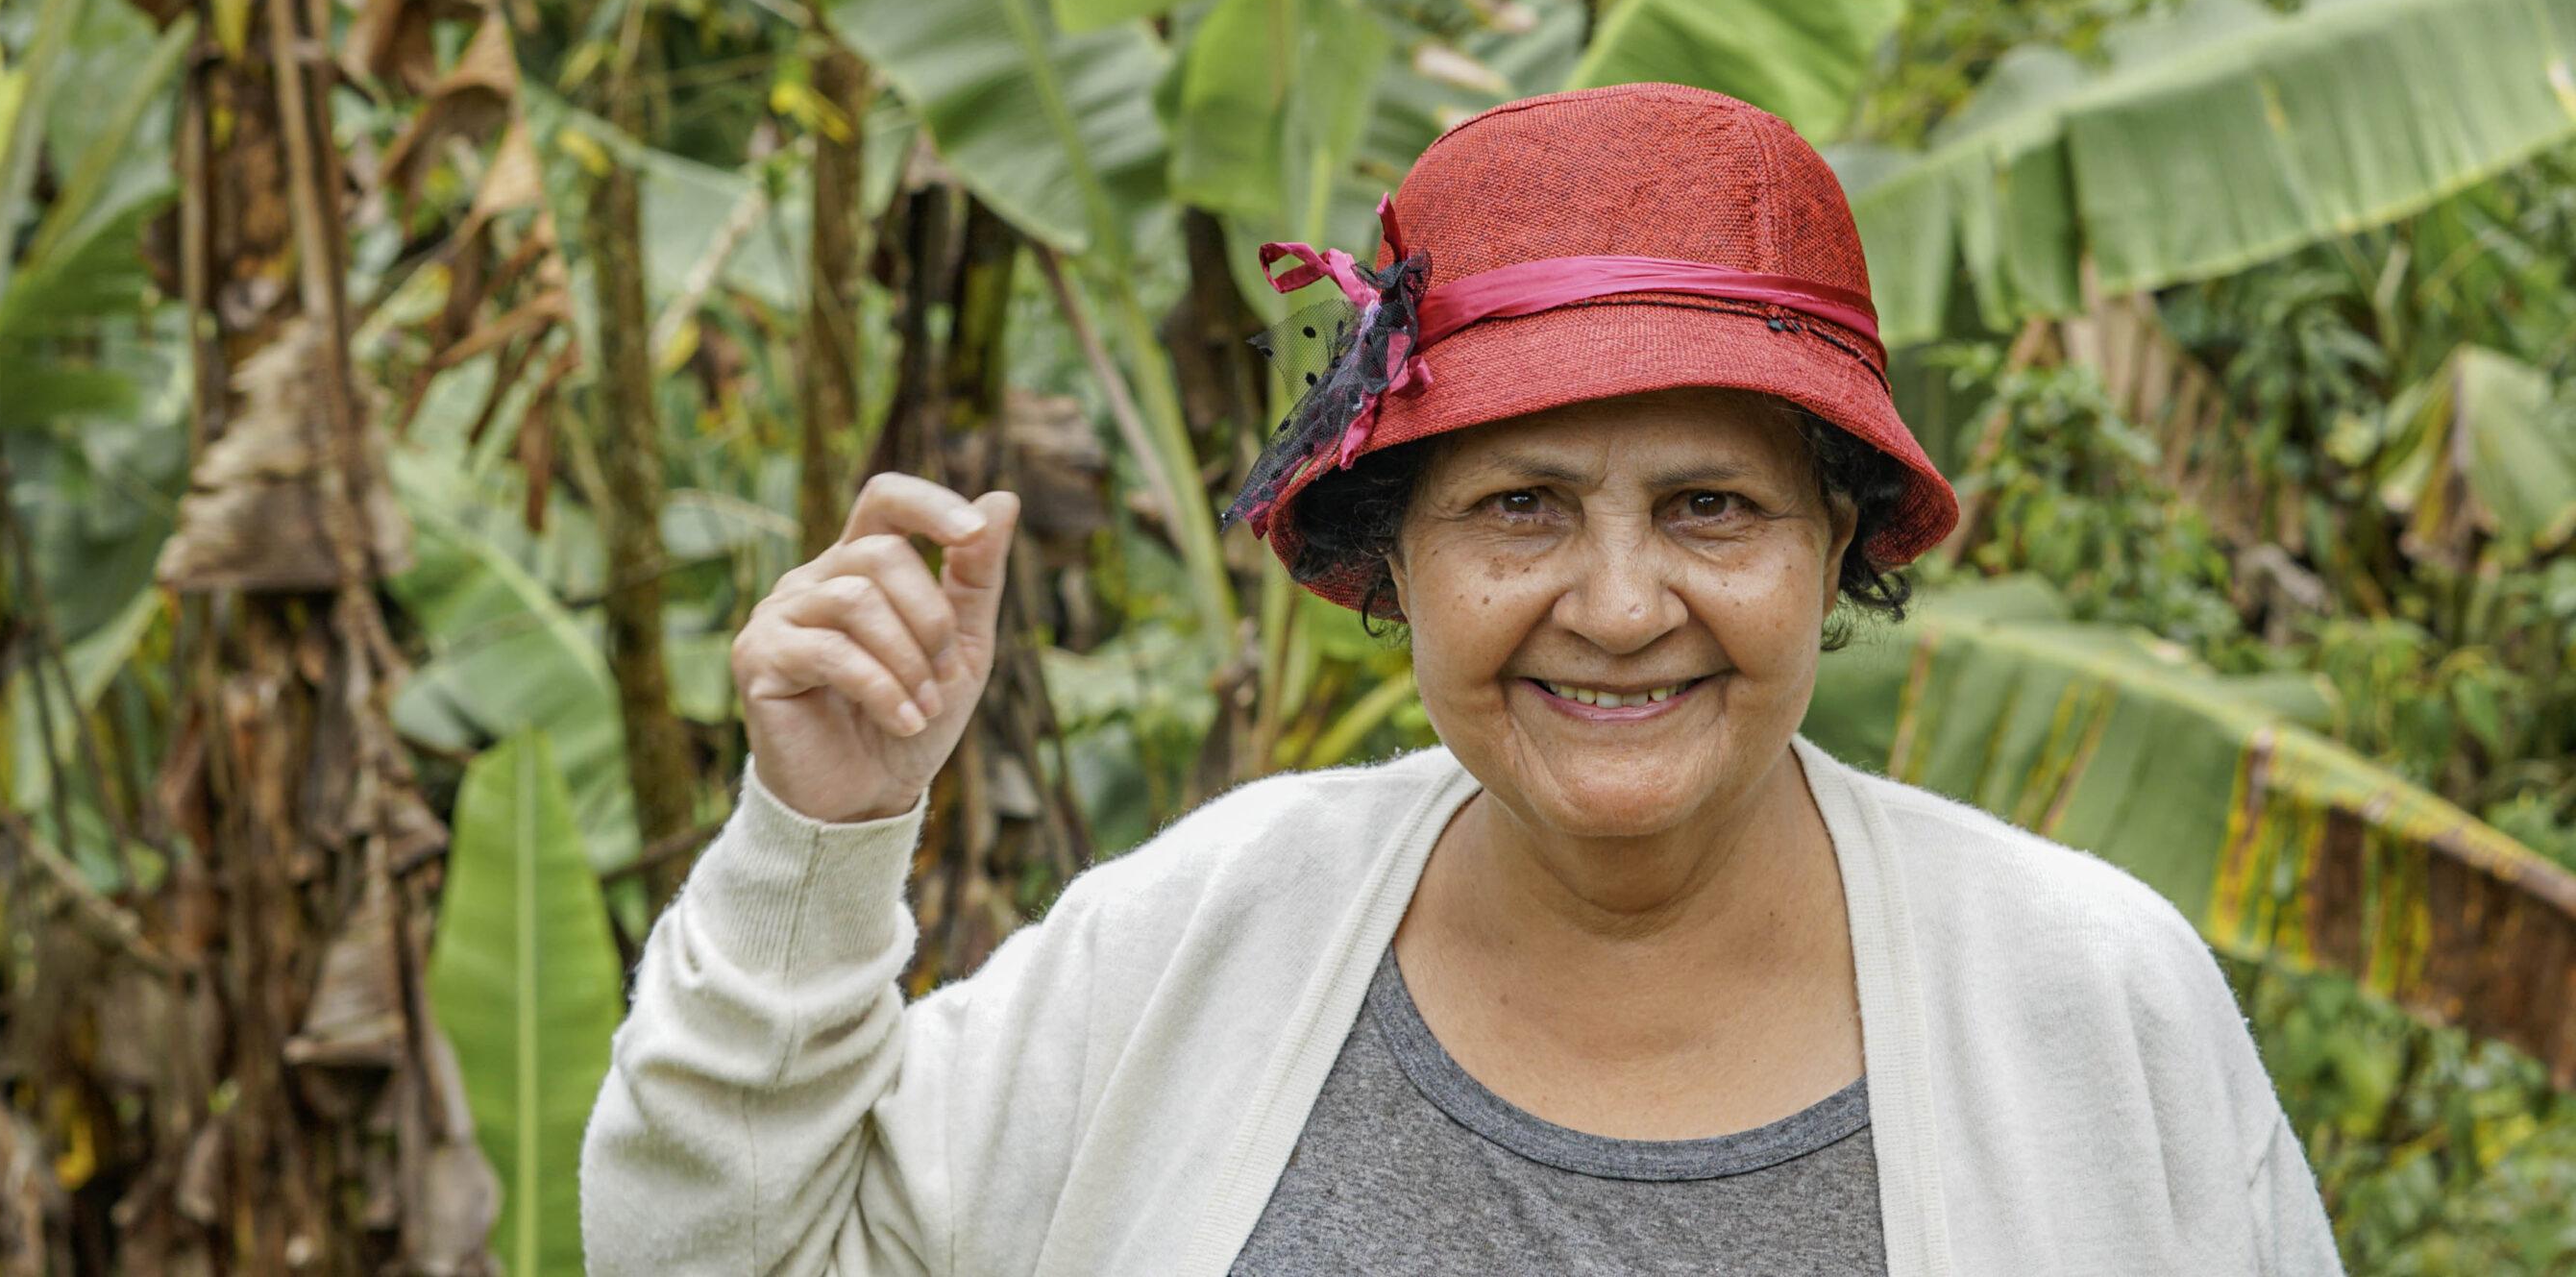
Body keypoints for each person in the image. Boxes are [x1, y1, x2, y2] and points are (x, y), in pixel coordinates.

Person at [579, 83, 2344, 1275]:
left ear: (1836, 547)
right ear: (1397, 560)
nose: (1621, 606)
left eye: (1712, 507)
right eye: (1520, 508)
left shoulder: (2090, 1001)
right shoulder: (1196, 938)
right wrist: (818, 837)